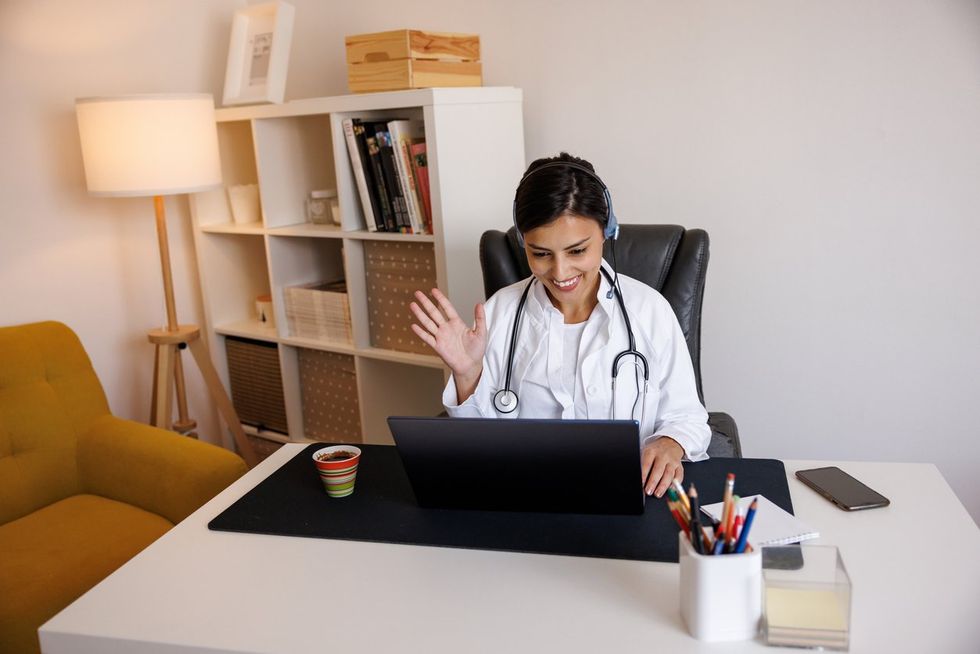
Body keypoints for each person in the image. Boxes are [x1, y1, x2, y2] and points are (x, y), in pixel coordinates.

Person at [409, 153, 710, 499]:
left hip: (628, 497)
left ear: (607, 231)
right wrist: (466, 374)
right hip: (525, 502)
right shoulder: (499, 314)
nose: (561, 272)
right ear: (524, 242)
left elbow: (688, 416)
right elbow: (480, 449)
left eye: (577, 251)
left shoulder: (650, 311)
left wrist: (671, 443)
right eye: (541, 254)